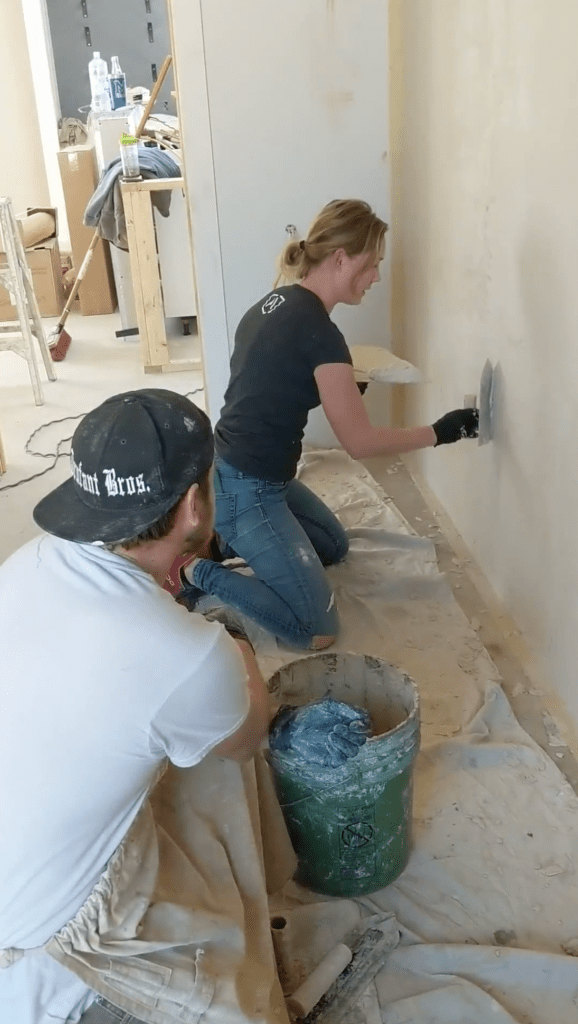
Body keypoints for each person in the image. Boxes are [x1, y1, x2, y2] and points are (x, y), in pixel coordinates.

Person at [0, 389, 270, 1024]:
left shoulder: (24, 560)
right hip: (44, 958)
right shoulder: (188, 657)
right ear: (194, 504)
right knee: (219, 765)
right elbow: (250, 736)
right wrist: (237, 653)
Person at [179, 199, 478, 648]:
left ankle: (223, 541)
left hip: (244, 471)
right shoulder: (320, 332)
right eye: (372, 263)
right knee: (315, 630)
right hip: (247, 488)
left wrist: (340, 388)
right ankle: (195, 570)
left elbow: (272, 383)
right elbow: (360, 442)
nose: (376, 276)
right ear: (341, 258)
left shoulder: (274, 303)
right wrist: (442, 431)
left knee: (333, 547)